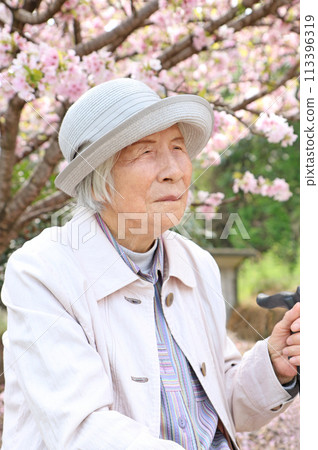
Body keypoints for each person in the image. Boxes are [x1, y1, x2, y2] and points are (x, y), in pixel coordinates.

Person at [1, 78, 300, 450]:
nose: (175, 170)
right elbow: (82, 431)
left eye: (178, 147)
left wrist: (273, 363)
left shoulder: (195, 264)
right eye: (146, 152)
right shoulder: (41, 272)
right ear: (98, 181)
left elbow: (218, 401)